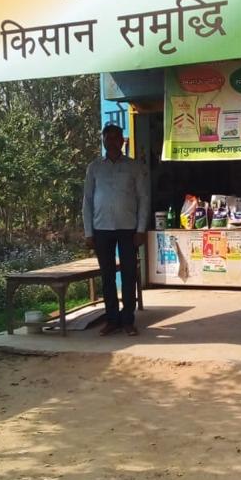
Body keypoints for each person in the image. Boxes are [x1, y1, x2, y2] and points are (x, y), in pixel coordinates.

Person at [83, 123, 149, 337]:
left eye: (115, 138)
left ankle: (128, 320)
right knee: (107, 276)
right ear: (103, 141)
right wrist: (88, 232)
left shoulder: (134, 167)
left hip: (128, 228)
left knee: (129, 275)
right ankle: (112, 320)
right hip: (101, 228)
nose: (111, 142)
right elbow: (87, 201)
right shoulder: (94, 168)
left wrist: (141, 229)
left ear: (122, 141)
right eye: (108, 138)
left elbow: (143, 198)